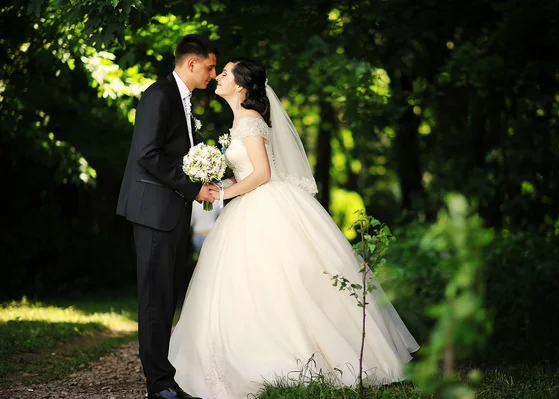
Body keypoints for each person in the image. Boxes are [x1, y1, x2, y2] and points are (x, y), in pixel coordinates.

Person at [168, 58, 419, 399]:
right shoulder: (241, 121)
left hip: (262, 206)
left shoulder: (251, 122)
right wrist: (219, 181)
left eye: (224, 73)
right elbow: (247, 172)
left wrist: (225, 191)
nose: (218, 77)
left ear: (241, 85)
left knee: (276, 280)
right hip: (248, 204)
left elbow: (262, 175)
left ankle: (294, 356)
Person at [116, 34, 218, 399]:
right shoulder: (159, 96)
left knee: (167, 294)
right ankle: (158, 385)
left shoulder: (183, 99)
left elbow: (174, 153)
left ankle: (165, 376)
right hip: (153, 210)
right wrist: (192, 188)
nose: (213, 74)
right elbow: (146, 152)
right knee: (154, 297)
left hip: (170, 210)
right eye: (210, 67)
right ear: (191, 64)